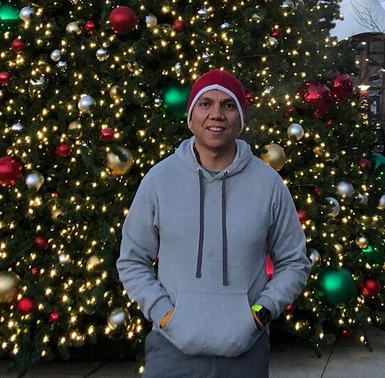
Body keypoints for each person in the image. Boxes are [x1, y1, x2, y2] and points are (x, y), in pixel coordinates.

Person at [117, 69, 311, 377]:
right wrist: (165, 314)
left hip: (246, 353)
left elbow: (294, 262)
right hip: (171, 352)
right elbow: (132, 259)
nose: (216, 115)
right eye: (206, 104)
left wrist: (260, 314)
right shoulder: (159, 180)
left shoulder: (268, 185)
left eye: (228, 105)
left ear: (240, 118)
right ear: (191, 116)